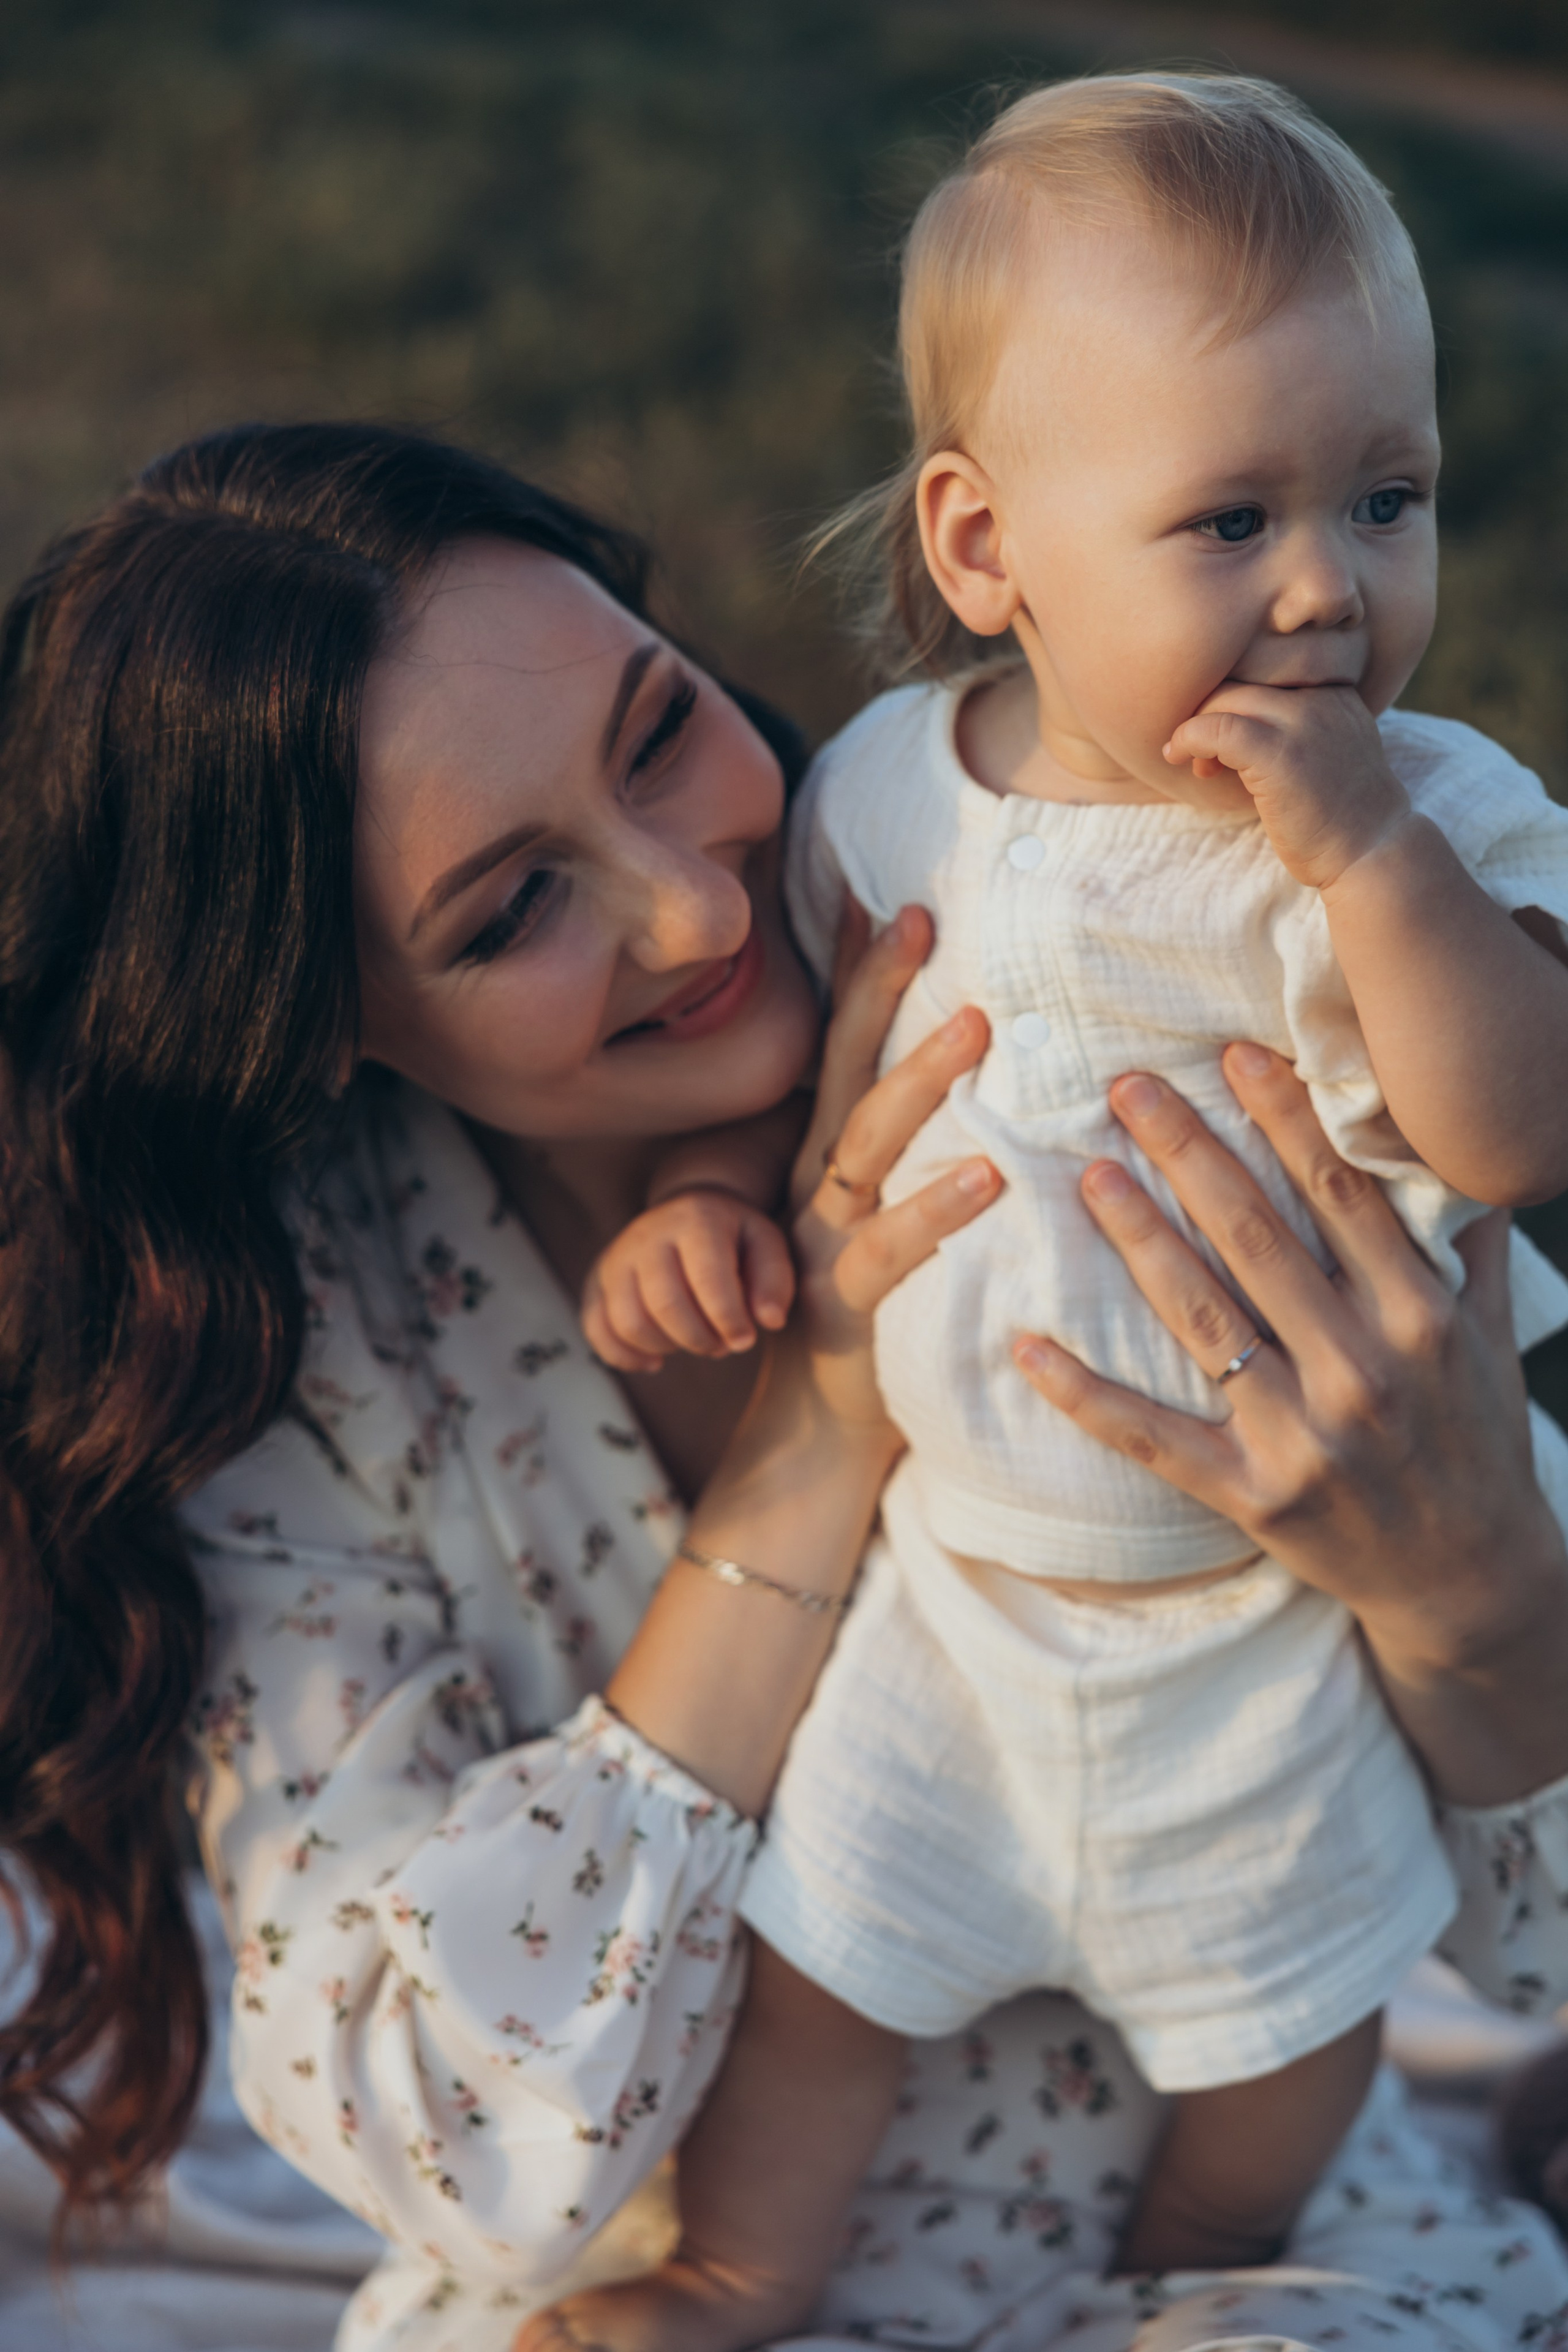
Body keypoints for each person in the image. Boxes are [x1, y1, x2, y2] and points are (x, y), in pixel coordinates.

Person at [0, 423, 1566, 2352]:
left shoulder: (1095, 970)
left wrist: (1474, 1593)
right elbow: (452, 2153)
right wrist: (816, 1442)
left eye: (657, 734)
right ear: (322, 1024)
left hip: (1254, 2273)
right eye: (512, 910)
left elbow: (1534, 1953)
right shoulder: (301, 1357)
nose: (696, 913)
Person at [532, 72, 1568, 2350]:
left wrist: (1371, 862)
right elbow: (819, 1054)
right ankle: (737, 2276)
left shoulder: (1440, 815)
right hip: (960, 1612)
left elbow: (1517, 1133)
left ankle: (1190, 2280)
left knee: (1286, 2051)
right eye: (1230, 523)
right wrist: (704, 1205)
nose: (1328, 587)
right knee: (812, 1989)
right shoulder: (895, 785)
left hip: (1267, 1623)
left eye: (1389, 499)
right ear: (990, 551)